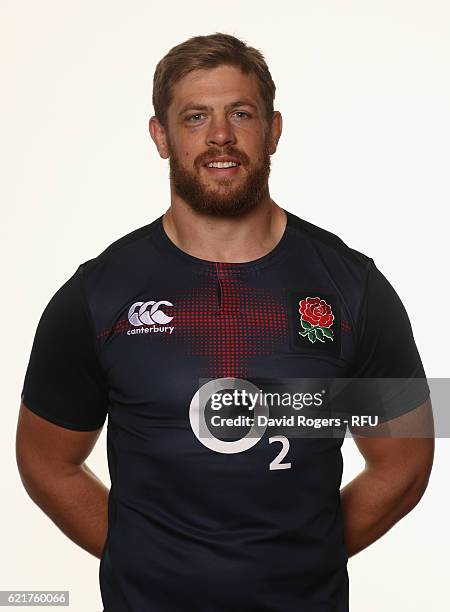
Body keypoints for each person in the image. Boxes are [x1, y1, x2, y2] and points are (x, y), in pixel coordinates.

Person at [17, 32, 434, 611]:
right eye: (195, 117)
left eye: (241, 113)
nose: (220, 136)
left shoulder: (352, 287)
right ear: (160, 137)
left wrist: (301, 559)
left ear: (273, 130)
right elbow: (45, 460)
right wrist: (145, 559)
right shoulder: (98, 294)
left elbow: (404, 465)